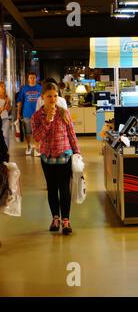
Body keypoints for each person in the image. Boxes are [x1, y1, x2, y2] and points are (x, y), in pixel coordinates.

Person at [31, 82, 80, 235]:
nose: (53, 99)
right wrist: (48, 121)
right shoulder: (37, 116)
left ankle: (66, 220)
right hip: (47, 157)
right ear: (43, 97)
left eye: (55, 96)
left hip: (65, 156)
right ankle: (55, 218)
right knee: (52, 189)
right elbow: (37, 138)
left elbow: (71, 134)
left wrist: (77, 153)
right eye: (49, 96)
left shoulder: (64, 112)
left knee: (64, 188)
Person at [16, 72, 42, 156]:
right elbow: (20, 101)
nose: (32, 79)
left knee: (37, 132)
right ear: (28, 78)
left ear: (36, 78)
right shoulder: (24, 88)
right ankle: (29, 146)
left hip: (38, 113)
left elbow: (43, 100)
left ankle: (36, 148)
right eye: (30, 77)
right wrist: (18, 113)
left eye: (34, 77)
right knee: (28, 132)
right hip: (27, 113)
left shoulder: (40, 88)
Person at [0, 82, 12, 148]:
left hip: (5, 118)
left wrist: (8, 105)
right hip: (0, 118)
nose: (4, 88)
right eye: (2, 86)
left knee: (6, 135)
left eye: (4, 86)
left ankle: (6, 150)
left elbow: (9, 110)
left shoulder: (7, 97)